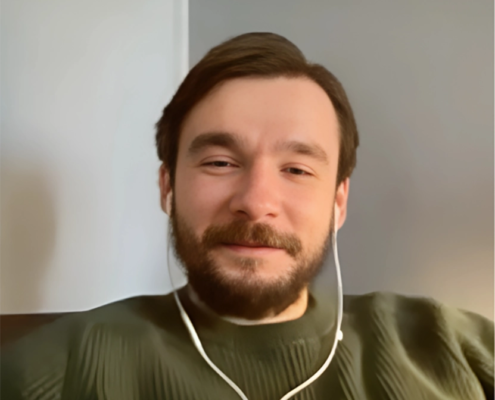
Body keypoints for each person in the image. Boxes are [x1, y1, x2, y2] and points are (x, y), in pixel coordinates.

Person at [0, 32, 493, 400]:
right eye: (220, 163)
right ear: (167, 186)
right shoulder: (54, 371)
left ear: (339, 202)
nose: (256, 202)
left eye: (297, 169)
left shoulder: (458, 349)